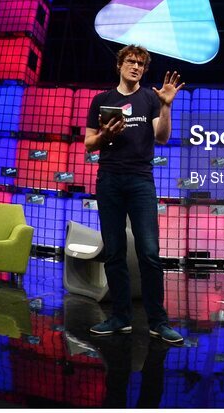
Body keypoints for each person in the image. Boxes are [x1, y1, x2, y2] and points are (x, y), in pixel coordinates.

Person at [83, 44, 185, 344]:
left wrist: (166, 106)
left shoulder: (151, 98)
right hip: (109, 180)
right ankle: (120, 317)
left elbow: (162, 137)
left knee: (149, 253)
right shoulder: (102, 99)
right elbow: (89, 144)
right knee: (114, 252)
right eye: (131, 61)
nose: (136, 66)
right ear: (120, 65)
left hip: (141, 182)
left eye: (141, 63)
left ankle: (158, 321)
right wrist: (106, 135)